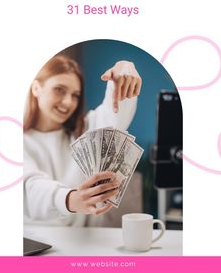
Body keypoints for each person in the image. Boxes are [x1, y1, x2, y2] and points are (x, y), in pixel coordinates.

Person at [24, 53, 142, 227]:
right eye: (59, 90)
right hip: (40, 242)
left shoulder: (85, 131)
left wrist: (122, 77)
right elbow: (29, 188)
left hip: (88, 244)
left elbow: (115, 116)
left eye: (75, 95)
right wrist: (70, 199)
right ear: (36, 88)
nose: (67, 102)